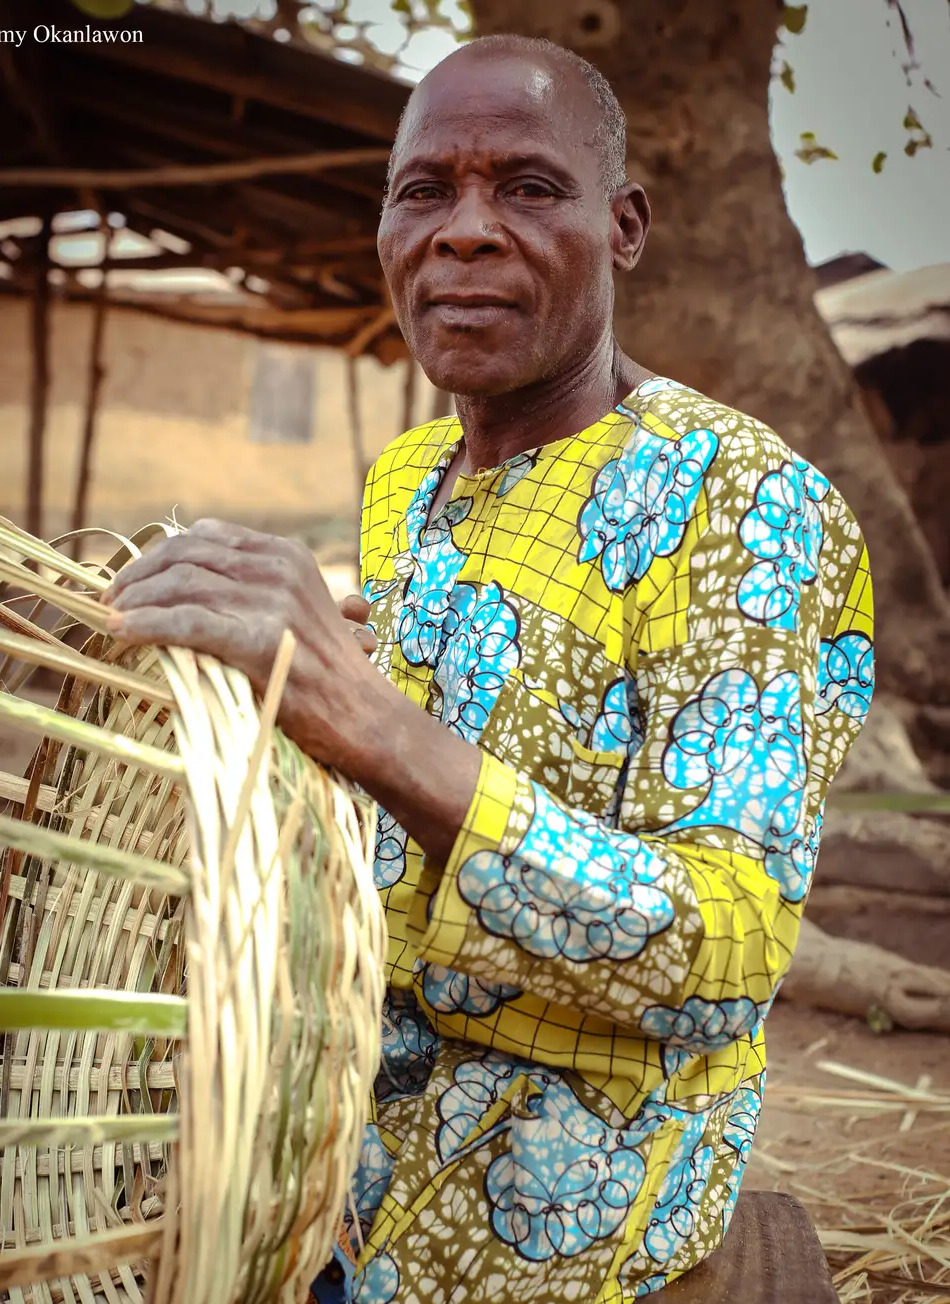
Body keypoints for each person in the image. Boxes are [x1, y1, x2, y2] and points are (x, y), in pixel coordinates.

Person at [104, 33, 875, 1304]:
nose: (464, 232)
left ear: (623, 226)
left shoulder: (744, 503)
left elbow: (726, 951)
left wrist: (369, 723)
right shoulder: (405, 481)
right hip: (332, 1151)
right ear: (387, 231)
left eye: (526, 187)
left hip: (572, 1201)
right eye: (426, 191)